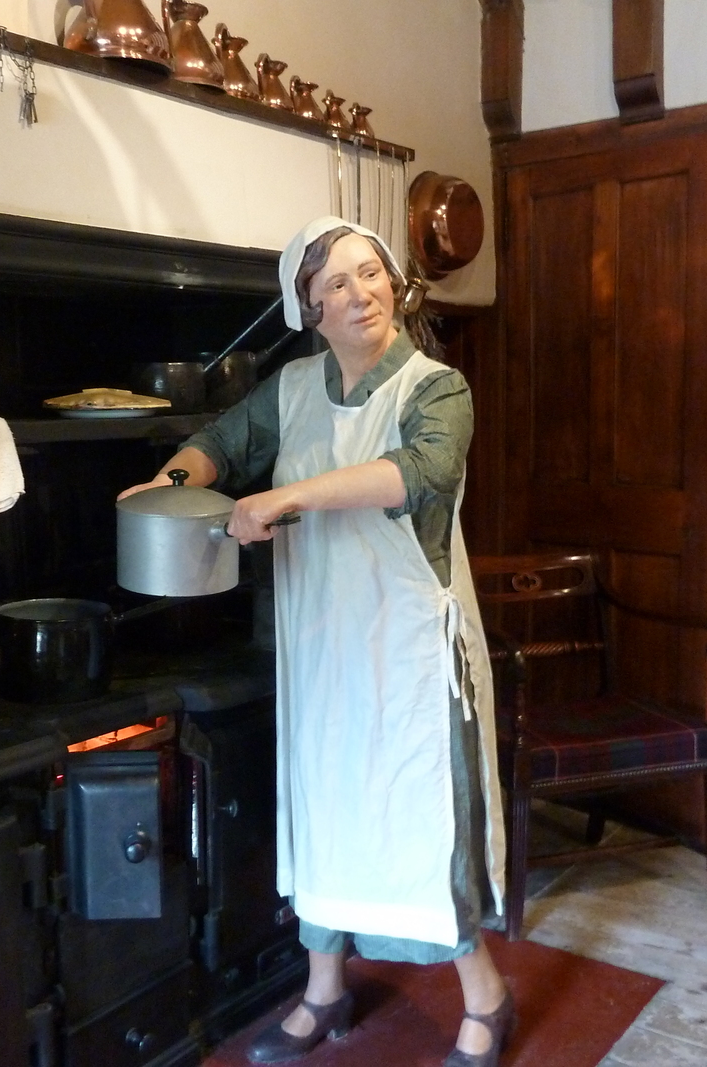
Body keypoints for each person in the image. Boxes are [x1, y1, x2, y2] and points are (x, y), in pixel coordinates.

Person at [119, 217, 511, 1067]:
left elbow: (416, 473)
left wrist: (283, 499)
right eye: (333, 285)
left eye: (369, 274)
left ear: (394, 288)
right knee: (324, 807)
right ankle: (324, 987)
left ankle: (486, 996)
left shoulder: (437, 389)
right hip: (322, 641)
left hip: (409, 650)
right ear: (309, 309)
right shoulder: (292, 389)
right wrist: (172, 480)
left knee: (420, 820)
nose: (357, 293)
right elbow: (222, 444)